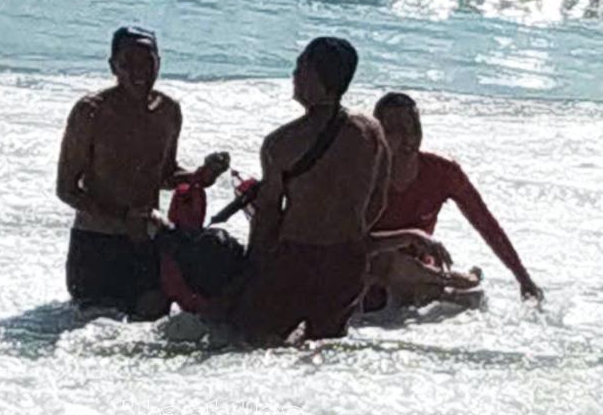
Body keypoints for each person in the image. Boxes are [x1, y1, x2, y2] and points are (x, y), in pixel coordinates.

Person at [226, 37, 398, 341]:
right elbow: (379, 200)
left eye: (300, 67)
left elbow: (267, 215)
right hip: (347, 259)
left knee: (251, 341)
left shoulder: (281, 143)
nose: (294, 75)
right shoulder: (371, 132)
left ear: (316, 77)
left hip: (295, 257)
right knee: (324, 349)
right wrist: (349, 234)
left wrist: (252, 267)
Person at [56, 26, 228, 319]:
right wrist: (122, 217)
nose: (139, 72)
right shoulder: (91, 112)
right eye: (128, 63)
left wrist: (200, 176)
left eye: (147, 62)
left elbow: (165, 174)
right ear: (113, 67)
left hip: (145, 242)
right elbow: (66, 189)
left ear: (159, 63)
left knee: (153, 322)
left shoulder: (168, 111)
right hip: (96, 243)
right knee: (98, 328)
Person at [368, 92, 543, 307]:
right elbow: (351, 242)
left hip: (420, 268)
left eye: (413, 128)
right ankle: (457, 283)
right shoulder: (363, 174)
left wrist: (523, 278)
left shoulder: (443, 173)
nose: (408, 138)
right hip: (372, 266)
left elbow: (486, 224)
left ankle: (449, 289)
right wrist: (409, 236)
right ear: (378, 136)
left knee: (411, 290)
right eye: (395, 130)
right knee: (384, 265)